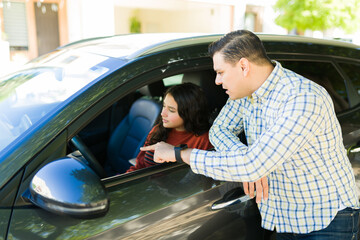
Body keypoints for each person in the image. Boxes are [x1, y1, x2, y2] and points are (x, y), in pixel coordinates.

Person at [141, 30, 360, 240]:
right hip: (286, 217)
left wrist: (179, 154)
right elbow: (220, 130)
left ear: (244, 66)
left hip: (327, 219)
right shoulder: (246, 93)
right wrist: (250, 163)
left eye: (220, 72)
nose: (217, 81)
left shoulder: (302, 98)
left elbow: (253, 163)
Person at [127, 82, 213, 172]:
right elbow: (139, 167)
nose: (162, 113)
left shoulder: (203, 140)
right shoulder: (158, 129)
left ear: (189, 113)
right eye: (164, 106)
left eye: (171, 110)